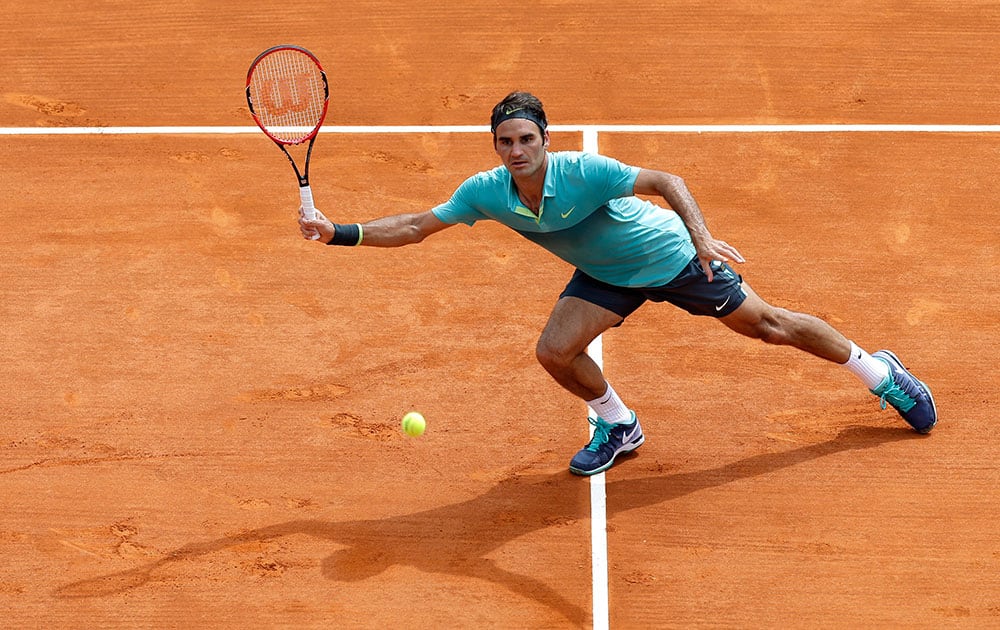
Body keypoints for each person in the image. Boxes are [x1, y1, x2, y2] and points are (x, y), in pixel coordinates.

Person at [299, 91, 937, 476]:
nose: (516, 150)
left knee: (769, 327)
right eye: (505, 142)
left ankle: (880, 373)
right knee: (554, 350)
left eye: (526, 139)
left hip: (671, 258)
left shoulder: (585, 170)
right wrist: (339, 233)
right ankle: (619, 425)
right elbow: (414, 225)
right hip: (605, 276)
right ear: (495, 147)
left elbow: (667, 181)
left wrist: (702, 237)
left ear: (545, 139)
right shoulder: (487, 193)